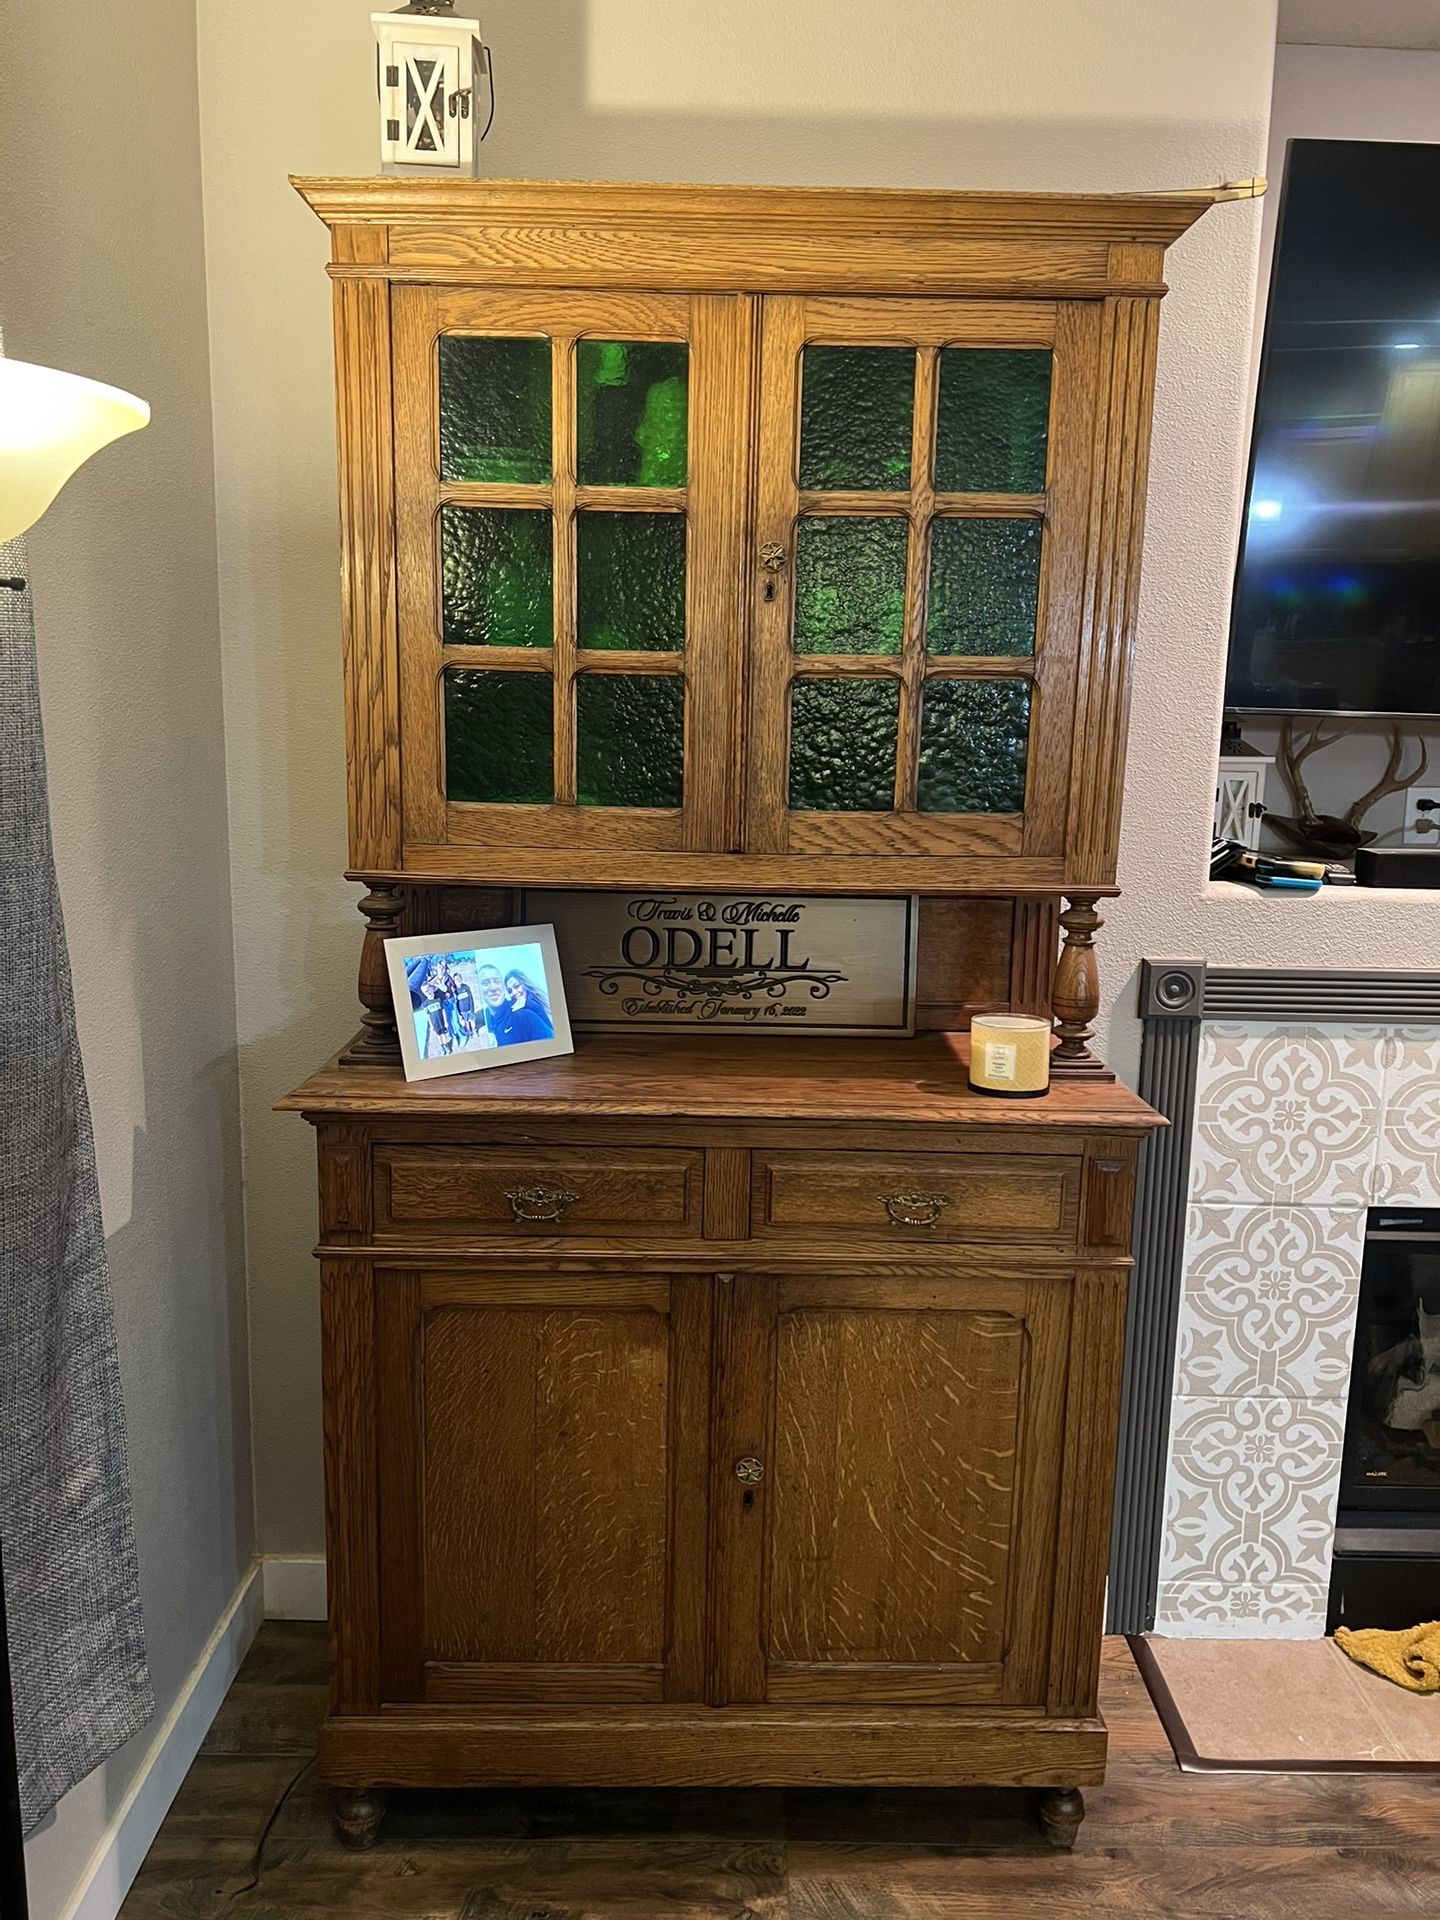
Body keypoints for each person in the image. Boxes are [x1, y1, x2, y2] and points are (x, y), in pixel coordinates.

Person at [478, 961, 553, 1045]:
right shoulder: (483, 1022)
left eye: (496, 981)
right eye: (485, 983)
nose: (493, 987)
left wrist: (528, 1003)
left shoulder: (525, 1014)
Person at [505, 967, 555, 1039]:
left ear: (524, 983)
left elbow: (549, 1027)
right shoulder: (514, 1010)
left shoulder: (541, 1001)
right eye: (510, 991)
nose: (514, 993)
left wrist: (528, 1003)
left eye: (516, 986)